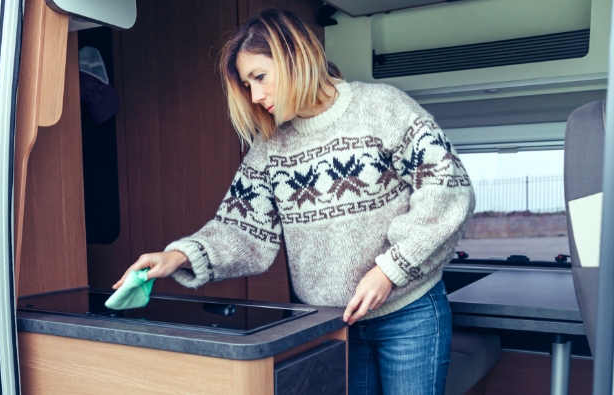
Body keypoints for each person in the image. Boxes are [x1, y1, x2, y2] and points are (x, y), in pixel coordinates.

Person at [113, 8, 475, 395]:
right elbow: (240, 228)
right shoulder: (270, 149)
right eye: (247, 85)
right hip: (334, 324)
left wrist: (389, 271)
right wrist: (180, 256)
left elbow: (448, 188)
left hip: (409, 312)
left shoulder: (382, 107)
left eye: (260, 77)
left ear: (293, 55)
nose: (255, 96)